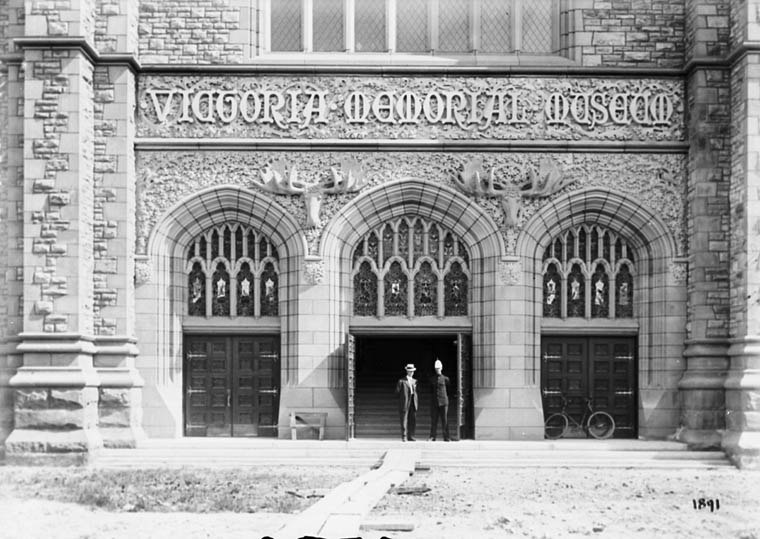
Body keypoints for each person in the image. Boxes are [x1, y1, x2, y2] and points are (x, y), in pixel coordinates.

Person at [428, 359, 452, 441]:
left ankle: (446, 437)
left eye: (439, 368)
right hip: (435, 402)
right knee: (434, 420)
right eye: (436, 368)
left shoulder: (446, 379)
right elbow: (431, 390)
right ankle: (432, 436)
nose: (437, 370)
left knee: (444, 420)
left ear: (441, 368)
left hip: (444, 402)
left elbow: (449, 390)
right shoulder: (432, 379)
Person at [396, 364, 418, 442]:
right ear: (407, 371)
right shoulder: (401, 381)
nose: (411, 373)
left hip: (412, 401)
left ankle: (411, 436)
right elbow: (397, 392)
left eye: (412, 371)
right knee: (404, 419)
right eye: (409, 371)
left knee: (412, 419)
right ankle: (404, 436)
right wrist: (402, 399)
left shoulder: (415, 381)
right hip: (405, 402)